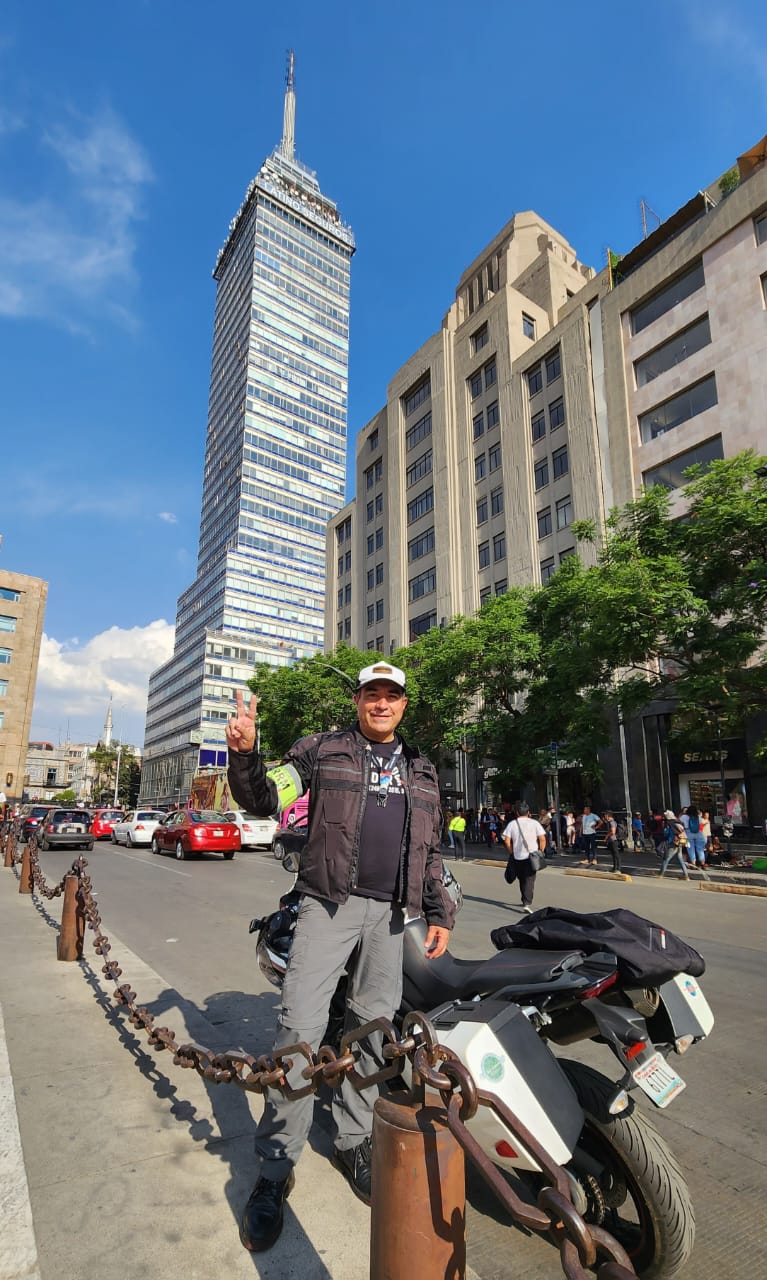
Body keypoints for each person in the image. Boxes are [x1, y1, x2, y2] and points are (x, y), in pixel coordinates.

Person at [225, 661, 454, 1253]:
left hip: (393, 915)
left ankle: (355, 1143)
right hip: (329, 904)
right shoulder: (322, 752)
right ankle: (275, 1170)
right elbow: (264, 798)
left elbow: (428, 851)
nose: (381, 703)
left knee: (374, 1033)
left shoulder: (423, 770)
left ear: (404, 705)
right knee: (299, 1031)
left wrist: (440, 914)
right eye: (371, 694)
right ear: (357, 701)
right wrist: (246, 755)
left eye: (391, 695)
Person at [502, 802, 545, 913]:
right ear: (529, 813)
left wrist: (512, 851)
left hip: (517, 856)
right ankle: (527, 903)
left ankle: (524, 899)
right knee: (529, 880)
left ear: (517, 813)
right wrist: (541, 851)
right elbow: (542, 839)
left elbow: (506, 841)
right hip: (532, 857)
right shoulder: (535, 823)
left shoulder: (512, 824)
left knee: (522, 879)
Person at [659, 810, 691, 881]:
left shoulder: (669, 823)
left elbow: (666, 833)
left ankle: (661, 874)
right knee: (680, 858)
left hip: (673, 842)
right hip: (681, 841)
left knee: (667, 858)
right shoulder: (678, 821)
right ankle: (686, 875)